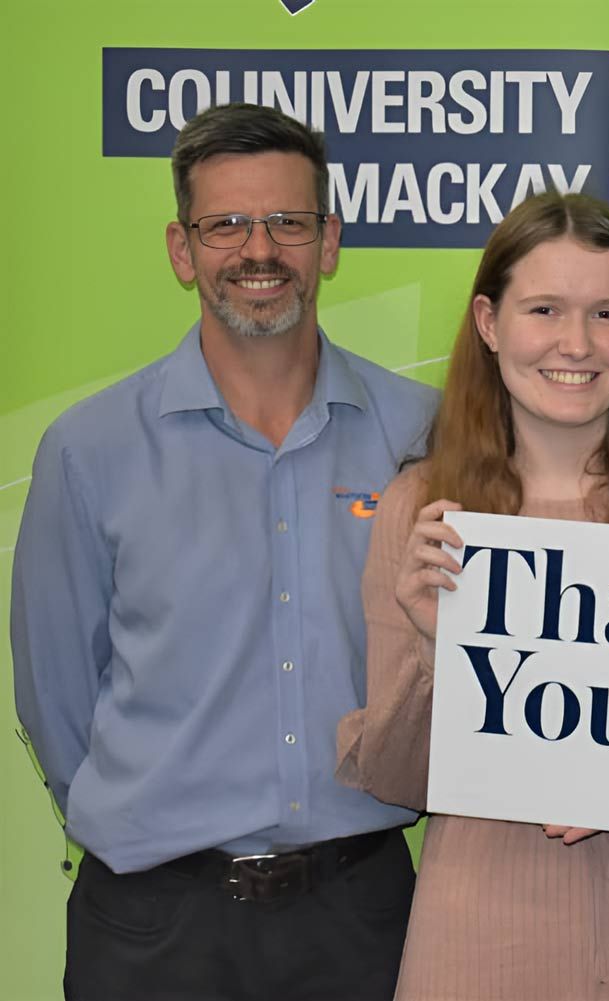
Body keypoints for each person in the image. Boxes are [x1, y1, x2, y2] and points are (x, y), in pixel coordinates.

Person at [10, 102, 436, 1001]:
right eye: (225, 225)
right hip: (151, 927)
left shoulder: (421, 435)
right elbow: (56, 699)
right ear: (180, 249)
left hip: (363, 918)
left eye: (287, 221)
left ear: (329, 241)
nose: (259, 251)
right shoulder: (89, 451)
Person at [335, 191, 609, 1000]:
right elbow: (397, 782)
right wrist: (436, 648)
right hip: (482, 956)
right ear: (490, 324)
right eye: (544, 310)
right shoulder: (425, 510)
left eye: (605, 313)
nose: (577, 343)